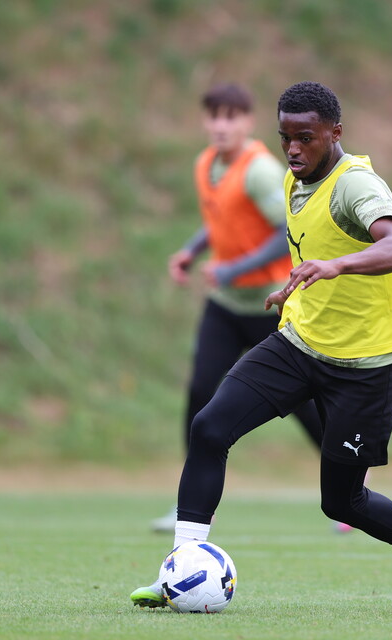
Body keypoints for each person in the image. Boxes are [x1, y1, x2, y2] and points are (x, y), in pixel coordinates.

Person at [133, 81, 392, 612]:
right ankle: (182, 567)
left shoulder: (358, 186)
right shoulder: (293, 180)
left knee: (341, 500)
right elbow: (310, 246)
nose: (293, 150)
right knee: (210, 428)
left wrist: (334, 266)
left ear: (336, 133)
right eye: (285, 137)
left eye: (305, 138)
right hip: (300, 343)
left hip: (364, 366)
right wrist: (291, 286)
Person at [150, 83, 325, 534]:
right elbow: (218, 221)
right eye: (214, 116)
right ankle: (186, 502)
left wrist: (233, 268)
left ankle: (350, 484)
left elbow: (284, 227)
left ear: (248, 122)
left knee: (304, 403)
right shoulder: (205, 164)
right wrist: (191, 252)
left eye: (232, 116)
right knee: (200, 394)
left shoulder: (262, 171)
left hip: (271, 302)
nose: (221, 125)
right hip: (226, 307)